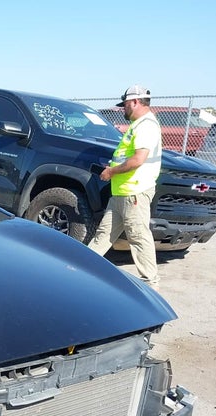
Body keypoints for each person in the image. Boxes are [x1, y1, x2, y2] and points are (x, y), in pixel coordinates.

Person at [88, 84, 162, 285]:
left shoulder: (146, 125)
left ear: (135, 102)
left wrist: (111, 171)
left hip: (134, 193)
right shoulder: (138, 125)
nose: (124, 109)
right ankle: (83, 269)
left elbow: (138, 159)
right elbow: (127, 157)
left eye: (126, 105)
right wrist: (113, 168)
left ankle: (150, 282)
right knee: (103, 235)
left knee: (138, 237)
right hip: (122, 193)